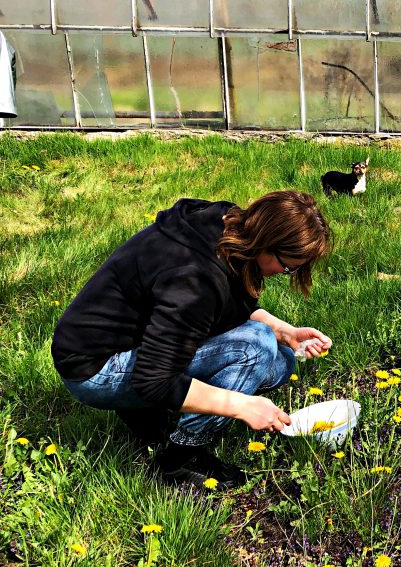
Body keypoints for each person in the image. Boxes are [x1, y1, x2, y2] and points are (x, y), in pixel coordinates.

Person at [51, 190, 333, 488]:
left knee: (280, 360)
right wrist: (242, 405)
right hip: (96, 369)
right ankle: (181, 457)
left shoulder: (227, 226)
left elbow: (228, 302)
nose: (286, 273)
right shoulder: (194, 280)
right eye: (289, 265)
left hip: (133, 343)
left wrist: (285, 331)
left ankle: (146, 414)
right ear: (265, 242)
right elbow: (154, 379)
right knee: (257, 347)